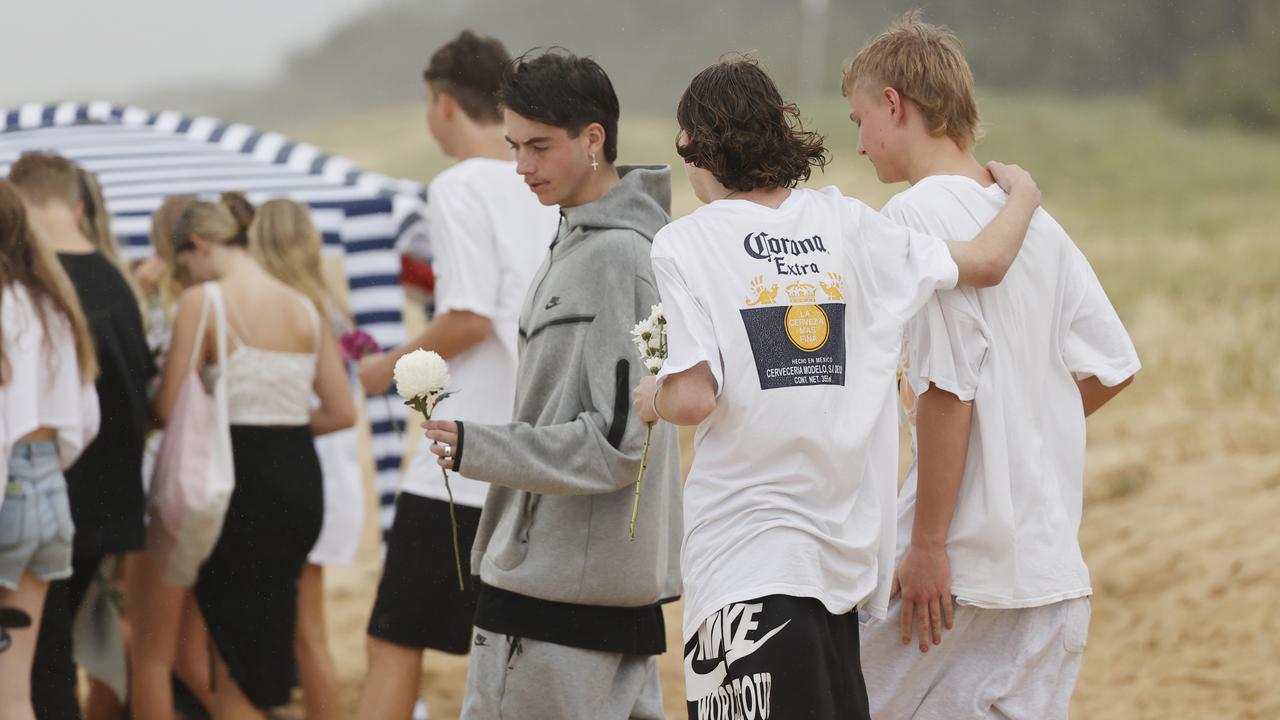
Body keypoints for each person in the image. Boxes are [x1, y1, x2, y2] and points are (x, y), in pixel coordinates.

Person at [628, 57, 1041, 719]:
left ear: (695, 146)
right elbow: (987, 262)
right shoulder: (847, 224)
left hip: (743, 568)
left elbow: (696, 396)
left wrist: (652, 397)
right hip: (842, 574)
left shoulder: (684, 243)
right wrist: (1022, 194)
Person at [843, 13, 1140, 719]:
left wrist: (927, 545)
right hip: (1050, 566)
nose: (858, 143)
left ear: (896, 105)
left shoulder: (913, 217)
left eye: (859, 118)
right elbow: (1112, 365)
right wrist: (1023, 424)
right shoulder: (1034, 221)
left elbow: (949, 388)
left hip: (960, 573)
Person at [422, 50, 681, 720]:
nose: (522, 167)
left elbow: (618, 445)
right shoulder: (578, 243)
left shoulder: (619, 256)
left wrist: (480, 448)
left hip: (559, 596)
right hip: (584, 588)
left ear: (594, 138)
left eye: (539, 146)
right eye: (514, 146)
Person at [353, 31, 561, 720]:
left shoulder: (460, 185)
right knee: (507, 646)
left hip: (460, 453)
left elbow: (469, 317)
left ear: (444, 104)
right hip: (541, 445)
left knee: (392, 638)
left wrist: (390, 365)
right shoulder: (547, 183)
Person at [154, 198, 354, 718]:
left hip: (239, 483)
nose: (186, 277)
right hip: (298, 477)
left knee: (232, 654)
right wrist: (281, 420)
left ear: (197, 246)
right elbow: (341, 411)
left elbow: (168, 405)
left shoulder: (205, 301)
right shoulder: (303, 306)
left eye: (184, 266)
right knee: (265, 635)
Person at [8, 152, 157, 720]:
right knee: (50, 658)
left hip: (45, 496)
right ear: (75, 205)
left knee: (37, 667)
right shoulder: (116, 280)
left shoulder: (34, 286)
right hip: (107, 506)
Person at [248, 197, 352, 720]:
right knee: (303, 626)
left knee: (307, 630)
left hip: (309, 472)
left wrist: (269, 419)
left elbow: (336, 409)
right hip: (330, 474)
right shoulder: (326, 302)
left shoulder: (288, 306)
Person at [0, 179, 100, 720]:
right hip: (47, 494)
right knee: (14, 694)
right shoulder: (52, 304)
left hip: (8, 490)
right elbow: (85, 420)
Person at [127, 194, 215, 720]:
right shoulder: (229, 299)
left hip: (166, 479)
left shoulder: (165, 309)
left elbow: (158, 403)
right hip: (218, 482)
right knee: (197, 645)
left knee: (152, 653)